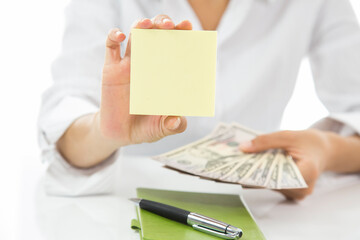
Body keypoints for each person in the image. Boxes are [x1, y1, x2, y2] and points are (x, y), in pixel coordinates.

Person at [39, 0, 360, 199]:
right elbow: (64, 120)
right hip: (121, 206)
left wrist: (330, 150)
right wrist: (103, 131)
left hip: (260, 207)